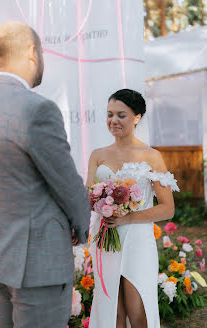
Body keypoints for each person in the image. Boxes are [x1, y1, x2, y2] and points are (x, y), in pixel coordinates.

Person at [0, 21, 90, 328]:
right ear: (33, 52)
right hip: (38, 263)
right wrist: (81, 225)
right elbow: (68, 184)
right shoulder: (37, 110)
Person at [86, 89, 180, 328]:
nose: (113, 121)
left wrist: (128, 218)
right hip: (105, 237)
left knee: (138, 309)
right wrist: (97, 203)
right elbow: (87, 196)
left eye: (121, 115)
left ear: (137, 117)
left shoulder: (152, 156)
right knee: (111, 310)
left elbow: (167, 208)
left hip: (138, 239)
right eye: (109, 114)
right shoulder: (97, 155)